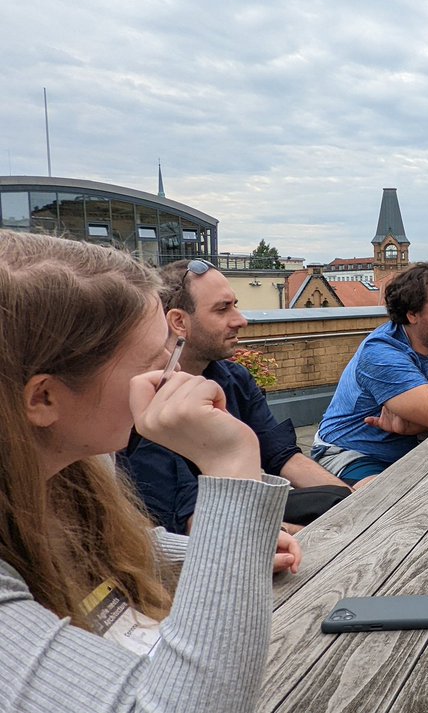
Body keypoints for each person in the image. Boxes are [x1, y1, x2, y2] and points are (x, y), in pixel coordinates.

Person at [0, 231, 299, 712]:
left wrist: (223, 549)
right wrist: (231, 468)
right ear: (44, 398)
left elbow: (106, 544)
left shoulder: (70, 469)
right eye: (153, 363)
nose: (174, 377)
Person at [121, 259, 351, 535]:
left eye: (235, 305)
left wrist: (355, 504)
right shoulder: (149, 401)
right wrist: (306, 534)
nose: (241, 320)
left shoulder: (233, 378)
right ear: (179, 322)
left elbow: (282, 456)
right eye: (222, 309)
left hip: (244, 513)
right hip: (204, 536)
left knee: (337, 499)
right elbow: (188, 521)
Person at [312, 263, 428, 482]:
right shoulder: (381, 352)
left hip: (412, 448)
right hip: (353, 453)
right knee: (384, 505)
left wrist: (415, 424)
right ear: (412, 314)